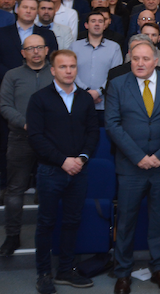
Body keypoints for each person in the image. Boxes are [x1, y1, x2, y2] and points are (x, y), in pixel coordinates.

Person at [105, 40, 160, 294]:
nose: (140, 63)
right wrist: (138, 156)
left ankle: (159, 268)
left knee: (159, 220)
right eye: (135, 58)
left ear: (156, 61)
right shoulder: (118, 84)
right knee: (126, 221)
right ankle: (122, 272)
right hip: (131, 166)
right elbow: (112, 124)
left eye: (145, 59)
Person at [27, 49, 99, 293]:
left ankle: (66, 270)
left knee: (72, 221)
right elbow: (36, 137)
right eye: (63, 67)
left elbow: (93, 132)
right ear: (53, 70)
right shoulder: (39, 99)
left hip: (79, 170)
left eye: (72, 66)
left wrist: (82, 158)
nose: (68, 71)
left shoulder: (85, 98)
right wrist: (62, 161)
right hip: (51, 172)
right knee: (46, 223)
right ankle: (44, 273)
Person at [0, 35, 54, 257]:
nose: (35, 51)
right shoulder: (12, 75)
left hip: (51, 140)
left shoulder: (56, 73)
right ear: (23, 52)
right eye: (30, 48)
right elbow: (5, 106)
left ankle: (51, 235)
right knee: (15, 190)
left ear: (47, 50)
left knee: (52, 189)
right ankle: (12, 236)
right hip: (20, 138)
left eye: (39, 47)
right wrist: (26, 123)